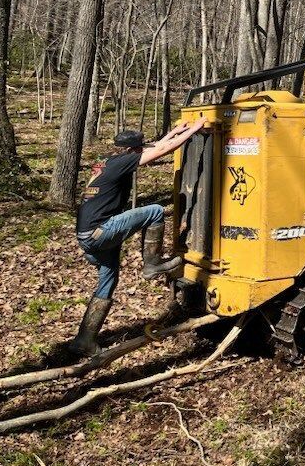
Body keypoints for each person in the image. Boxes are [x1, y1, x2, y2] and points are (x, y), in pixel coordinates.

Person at [69, 120, 206, 356]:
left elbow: (155, 146)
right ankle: (152, 265)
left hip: (86, 236)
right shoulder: (124, 162)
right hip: (99, 231)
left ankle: (85, 340)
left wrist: (175, 131)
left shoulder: (109, 161)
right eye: (139, 149)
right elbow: (160, 151)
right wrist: (195, 129)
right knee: (153, 211)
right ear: (133, 151)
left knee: (108, 279)